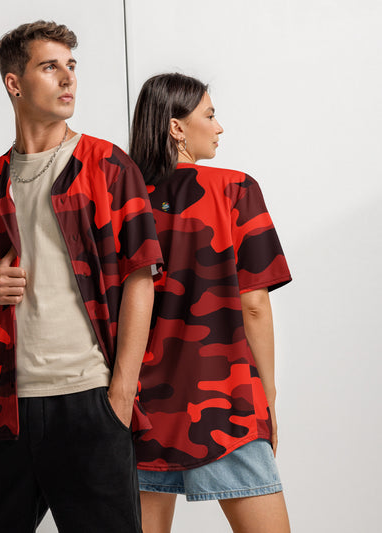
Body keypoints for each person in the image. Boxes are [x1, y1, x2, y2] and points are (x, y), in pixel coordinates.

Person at [0, 21, 163, 533]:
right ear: (14, 83)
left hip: (90, 399)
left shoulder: (108, 167)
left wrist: (120, 396)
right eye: (50, 67)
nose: (68, 78)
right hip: (7, 408)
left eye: (71, 66)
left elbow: (142, 279)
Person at [129, 73, 292, 533]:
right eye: (210, 115)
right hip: (226, 401)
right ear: (176, 128)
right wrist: (268, 394)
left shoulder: (124, 200)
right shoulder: (236, 188)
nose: (219, 127)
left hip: (139, 408)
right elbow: (253, 304)